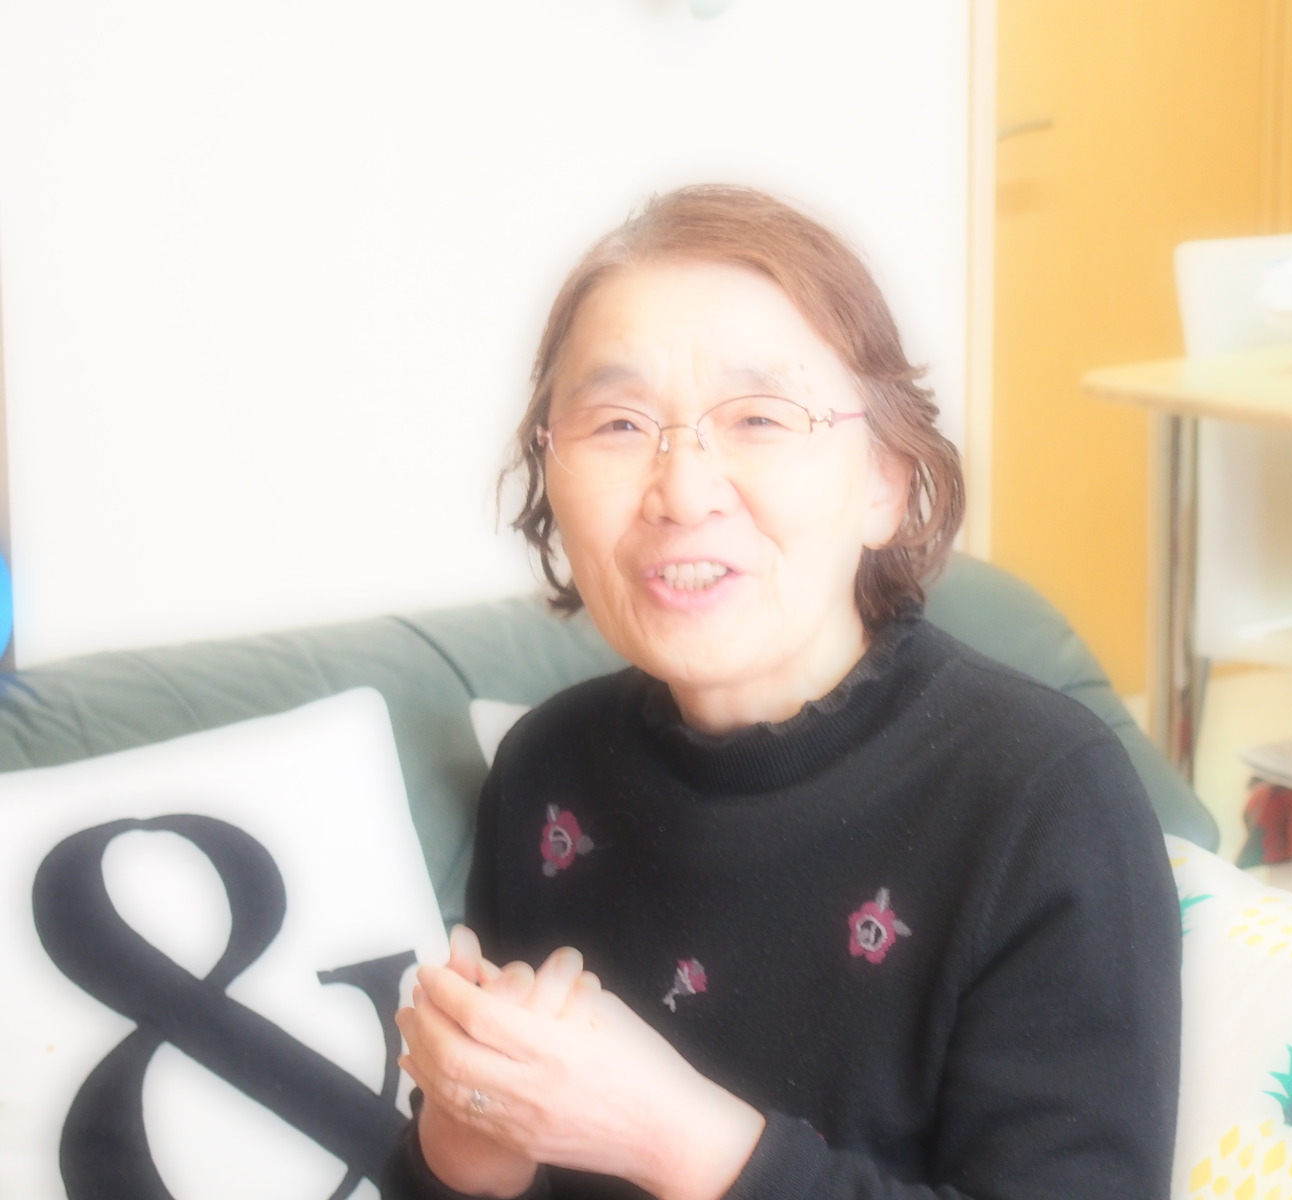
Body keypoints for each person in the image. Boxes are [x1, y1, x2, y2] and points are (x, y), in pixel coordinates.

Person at [383, 185, 1181, 1200]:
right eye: (618, 424)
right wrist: (468, 1145)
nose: (682, 491)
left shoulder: (1042, 797)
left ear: (887, 481)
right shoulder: (548, 772)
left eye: (759, 418)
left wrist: (676, 1140)